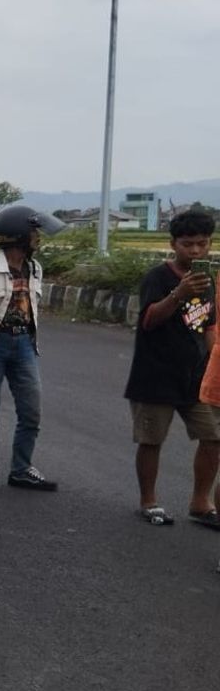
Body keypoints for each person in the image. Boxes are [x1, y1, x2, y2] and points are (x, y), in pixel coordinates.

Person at [124, 210, 220, 527]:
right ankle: (148, 501)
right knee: (152, 439)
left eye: (202, 244)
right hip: (155, 374)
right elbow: (149, 321)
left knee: (213, 437)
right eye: (187, 244)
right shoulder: (158, 277)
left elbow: (208, 325)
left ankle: (200, 502)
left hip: (195, 377)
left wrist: (212, 364)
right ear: (173, 244)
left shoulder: (208, 281)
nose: (195, 251)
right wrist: (179, 294)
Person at [0, 205, 65, 493]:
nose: (38, 238)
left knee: (32, 411)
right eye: (33, 233)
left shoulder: (35, 269)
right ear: (17, 236)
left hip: (25, 345)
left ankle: (21, 469)